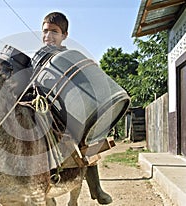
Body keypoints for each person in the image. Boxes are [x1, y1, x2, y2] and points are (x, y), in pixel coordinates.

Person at [38, 11, 113, 205]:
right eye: (45, 31)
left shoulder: (70, 56)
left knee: (86, 143)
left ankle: (96, 188)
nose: (49, 36)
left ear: (64, 35)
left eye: (54, 31)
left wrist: (90, 68)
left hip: (68, 110)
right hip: (43, 110)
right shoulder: (37, 59)